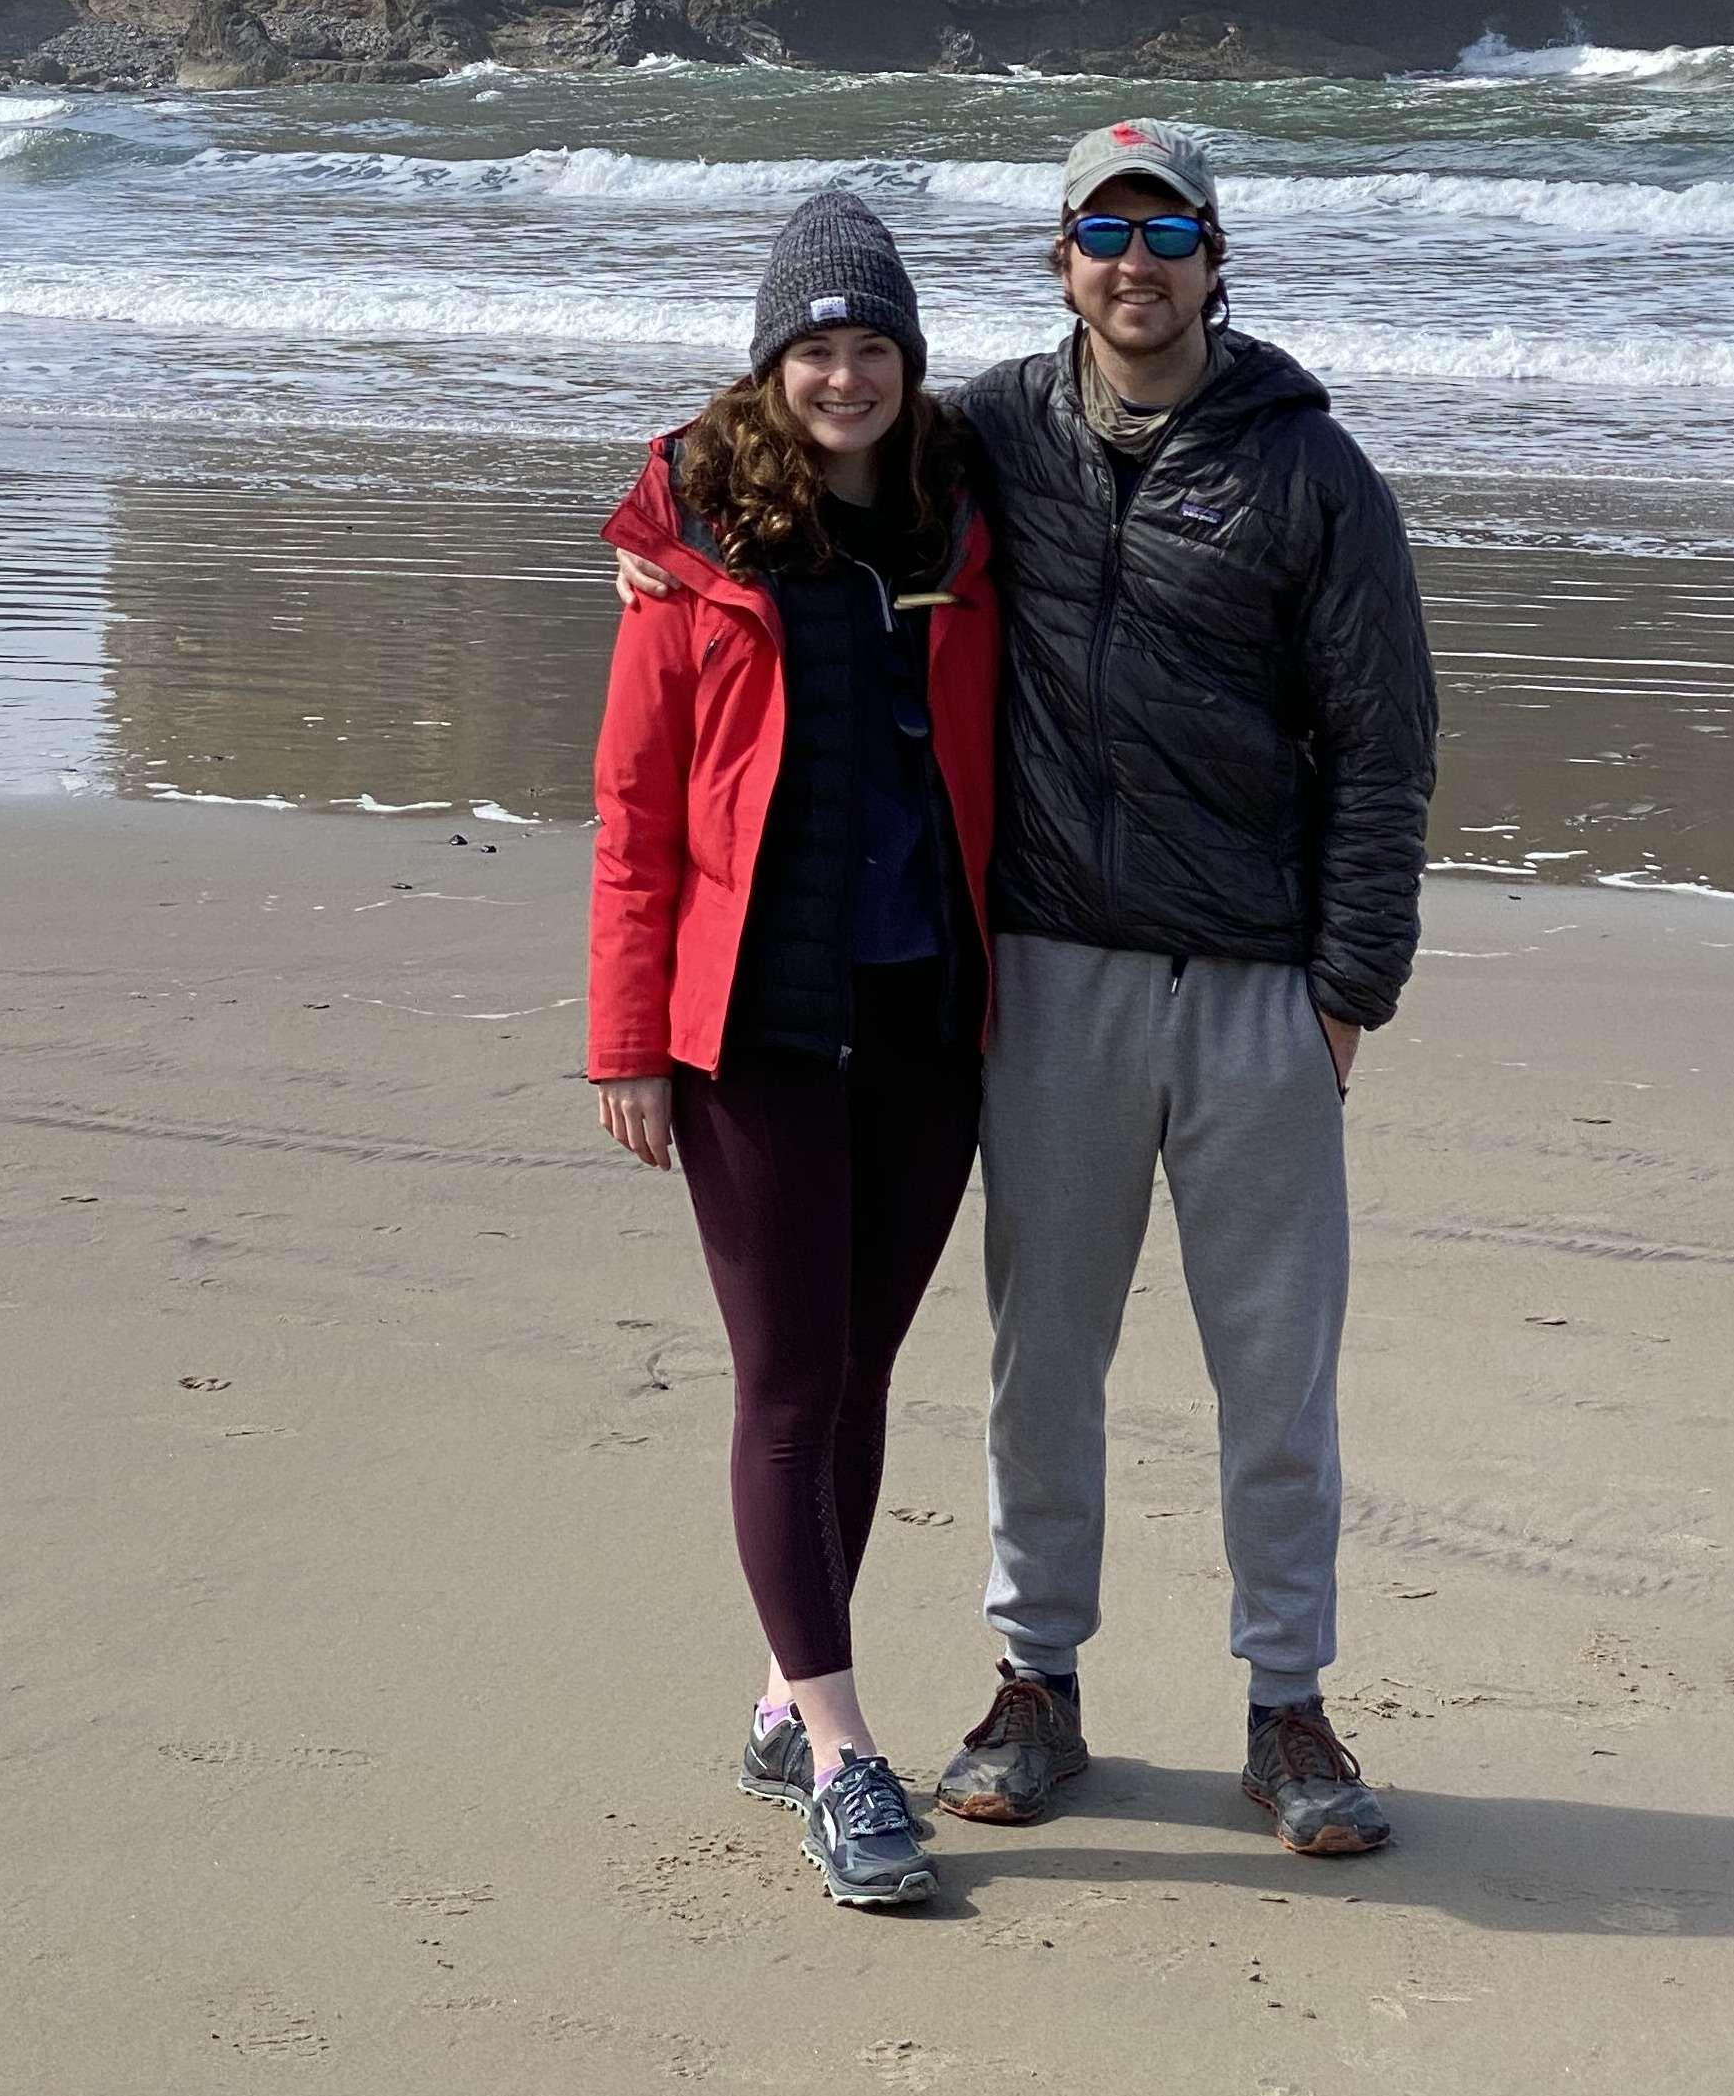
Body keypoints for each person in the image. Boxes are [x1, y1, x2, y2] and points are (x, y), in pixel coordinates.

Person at [628, 117, 1436, 1853]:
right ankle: (1036, 1685)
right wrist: (647, 531)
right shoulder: (989, 438)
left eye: (1169, 234)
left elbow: (1385, 747)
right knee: (1039, 1364)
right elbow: (769, 449)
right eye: (1104, 234)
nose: (1136, 265)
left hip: (1259, 986)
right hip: (1053, 977)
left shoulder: (1314, 475)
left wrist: (1348, 988)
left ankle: (1288, 1709)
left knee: (1275, 1377)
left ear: (1215, 259)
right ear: (1061, 262)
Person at [584, 190, 1002, 1911]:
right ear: (771, 366)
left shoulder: (965, 513)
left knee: (866, 1366)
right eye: (815, 347)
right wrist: (626, 1041)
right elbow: (632, 815)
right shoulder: (696, 544)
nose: (845, 374)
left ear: (910, 363)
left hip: (927, 1014)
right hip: (753, 1026)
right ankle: (841, 1754)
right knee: (786, 1379)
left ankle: (783, 1695)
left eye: (873, 344)